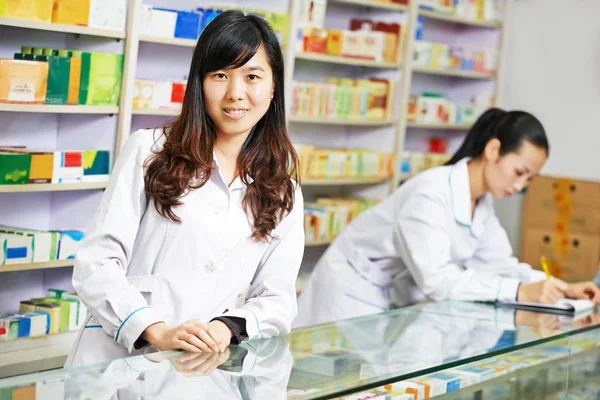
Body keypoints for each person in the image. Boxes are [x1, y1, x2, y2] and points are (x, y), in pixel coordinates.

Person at [66, 10, 304, 367]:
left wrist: (227, 328)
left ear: (273, 87)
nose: (235, 93)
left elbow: (278, 298)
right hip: (117, 366)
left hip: (204, 367)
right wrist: (157, 330)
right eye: (220, 75)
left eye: (252, 76)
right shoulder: (150, 151)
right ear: (199, 83)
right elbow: (96, 264)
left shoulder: (282, 190)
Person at [294, 108, 600, 327]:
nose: (520, 186)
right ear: (494, 150)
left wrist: (558, 288)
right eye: (520, 172)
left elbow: (501, 266)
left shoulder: (480, 205)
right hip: (351, 295)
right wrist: (519, 291)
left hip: (390, 301)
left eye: (530, 179)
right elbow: (436, 281)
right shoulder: (431, 193)